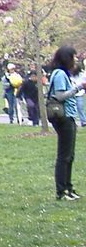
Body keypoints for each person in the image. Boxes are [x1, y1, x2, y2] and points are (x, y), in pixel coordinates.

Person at [47, 46, 82, 201]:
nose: (76, 59)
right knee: (64, 156)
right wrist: (78, 88)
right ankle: (61, 191)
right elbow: (60, 96)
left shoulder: (63, 73)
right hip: (64, 117)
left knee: (70, 155)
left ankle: (68, 187)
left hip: (69, 116)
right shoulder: (60, 74)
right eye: (74, 57)